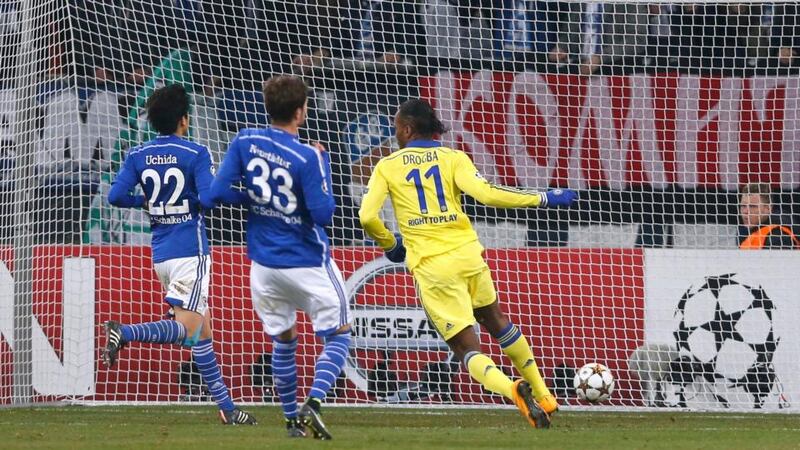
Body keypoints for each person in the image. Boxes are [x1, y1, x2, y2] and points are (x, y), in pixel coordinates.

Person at [358, 99, 578, 429]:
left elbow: (366, 216)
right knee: (497, 321)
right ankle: (545, 394)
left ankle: (512, 389)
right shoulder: (453, 157)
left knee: (466, 347)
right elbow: (488, 194)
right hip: (468, 254)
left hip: (433, 266)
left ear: (406, 129)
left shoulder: (388, 166)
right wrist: (543, 197)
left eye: (395, 130)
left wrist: (390, 244)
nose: (395, 136)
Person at [103, 84, 256, 426]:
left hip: (161, 255)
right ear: (184, 120)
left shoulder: (137, 155)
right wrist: (247, 196)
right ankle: (124, 333)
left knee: (203, 332)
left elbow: (115, 196)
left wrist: (143, 201)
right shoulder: (195, 152)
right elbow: (209, 198)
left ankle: (228, 410)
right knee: (187, 330)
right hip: (191, 251)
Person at [210, 75, 351, 440]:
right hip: (307, 262)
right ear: (301, 112)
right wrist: (325, 165)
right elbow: (323, 215)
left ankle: (290, 421)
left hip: (264, 267)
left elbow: (217, 192)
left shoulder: (245, 140)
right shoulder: (308, 156)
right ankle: (314, 404)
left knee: (284, 340)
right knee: (338, 335)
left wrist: (258, 202)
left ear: (267, 107)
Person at [738, 183, 799, 249]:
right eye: (743, 206)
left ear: (768, 209)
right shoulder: (743, 232)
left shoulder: (778, 237)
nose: (745, 211)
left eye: (752, 206)